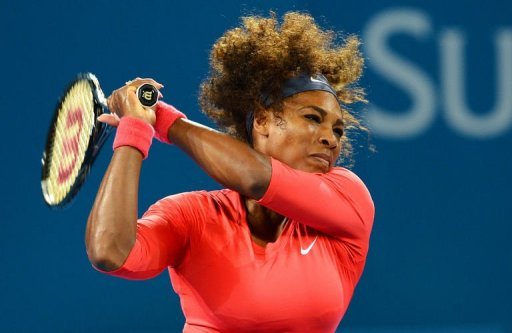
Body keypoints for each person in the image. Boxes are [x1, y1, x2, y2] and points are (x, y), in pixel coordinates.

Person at [86, 11, 375, 333]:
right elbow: (109, 252)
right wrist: (135, 130)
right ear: (263, 121)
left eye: (338, 130)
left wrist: (165, 120)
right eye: (312, 118)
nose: (330, 138)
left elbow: (254, 178)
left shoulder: (348, 197)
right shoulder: (190, 215)